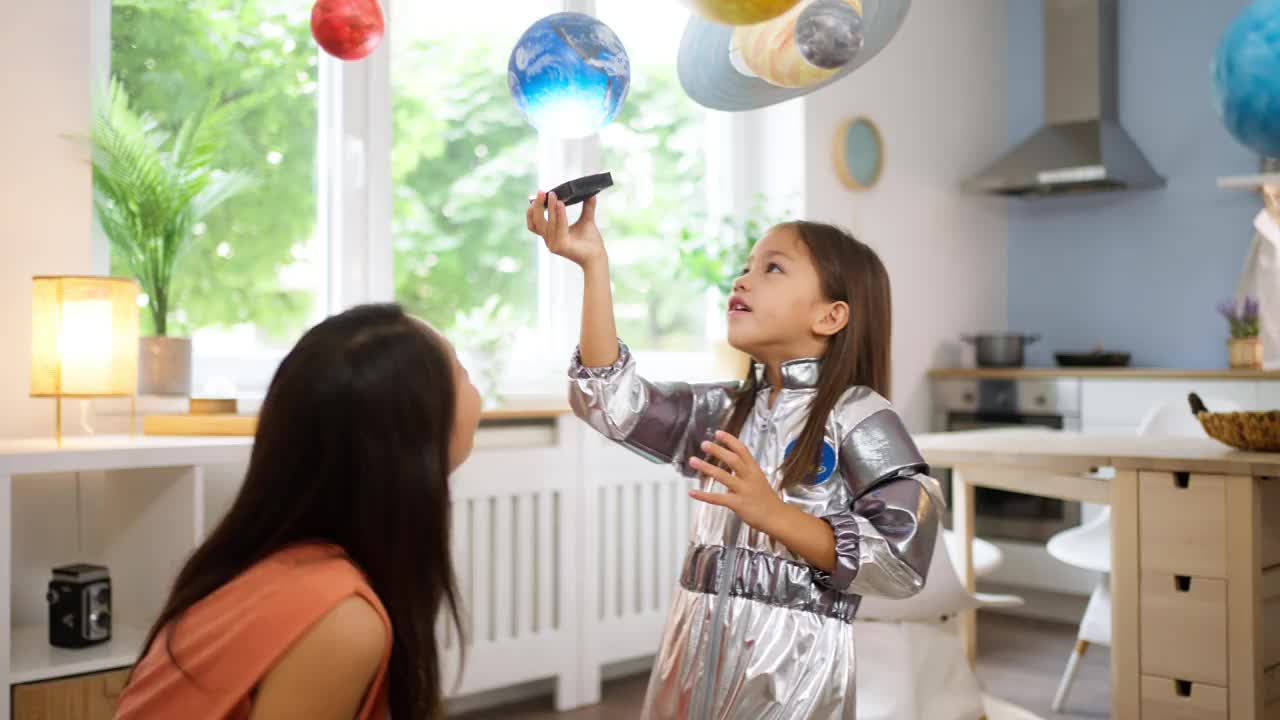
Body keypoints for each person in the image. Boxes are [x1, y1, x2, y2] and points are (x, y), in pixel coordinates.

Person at [527, 191, 943, 719]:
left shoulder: (857, 416)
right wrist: (593, 263)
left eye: (772, 269)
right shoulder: (723, 410)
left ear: (831, 316)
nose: (742, 280)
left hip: (793, 678)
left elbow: (903, 560)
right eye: (747, 267)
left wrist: (775, 515)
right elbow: (611, 403)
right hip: (692, 659)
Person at [114, 303, 482, 720]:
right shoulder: (341, 621)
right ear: (410, 431)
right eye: (459, 370)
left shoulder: (275, 565)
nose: (474, 388)